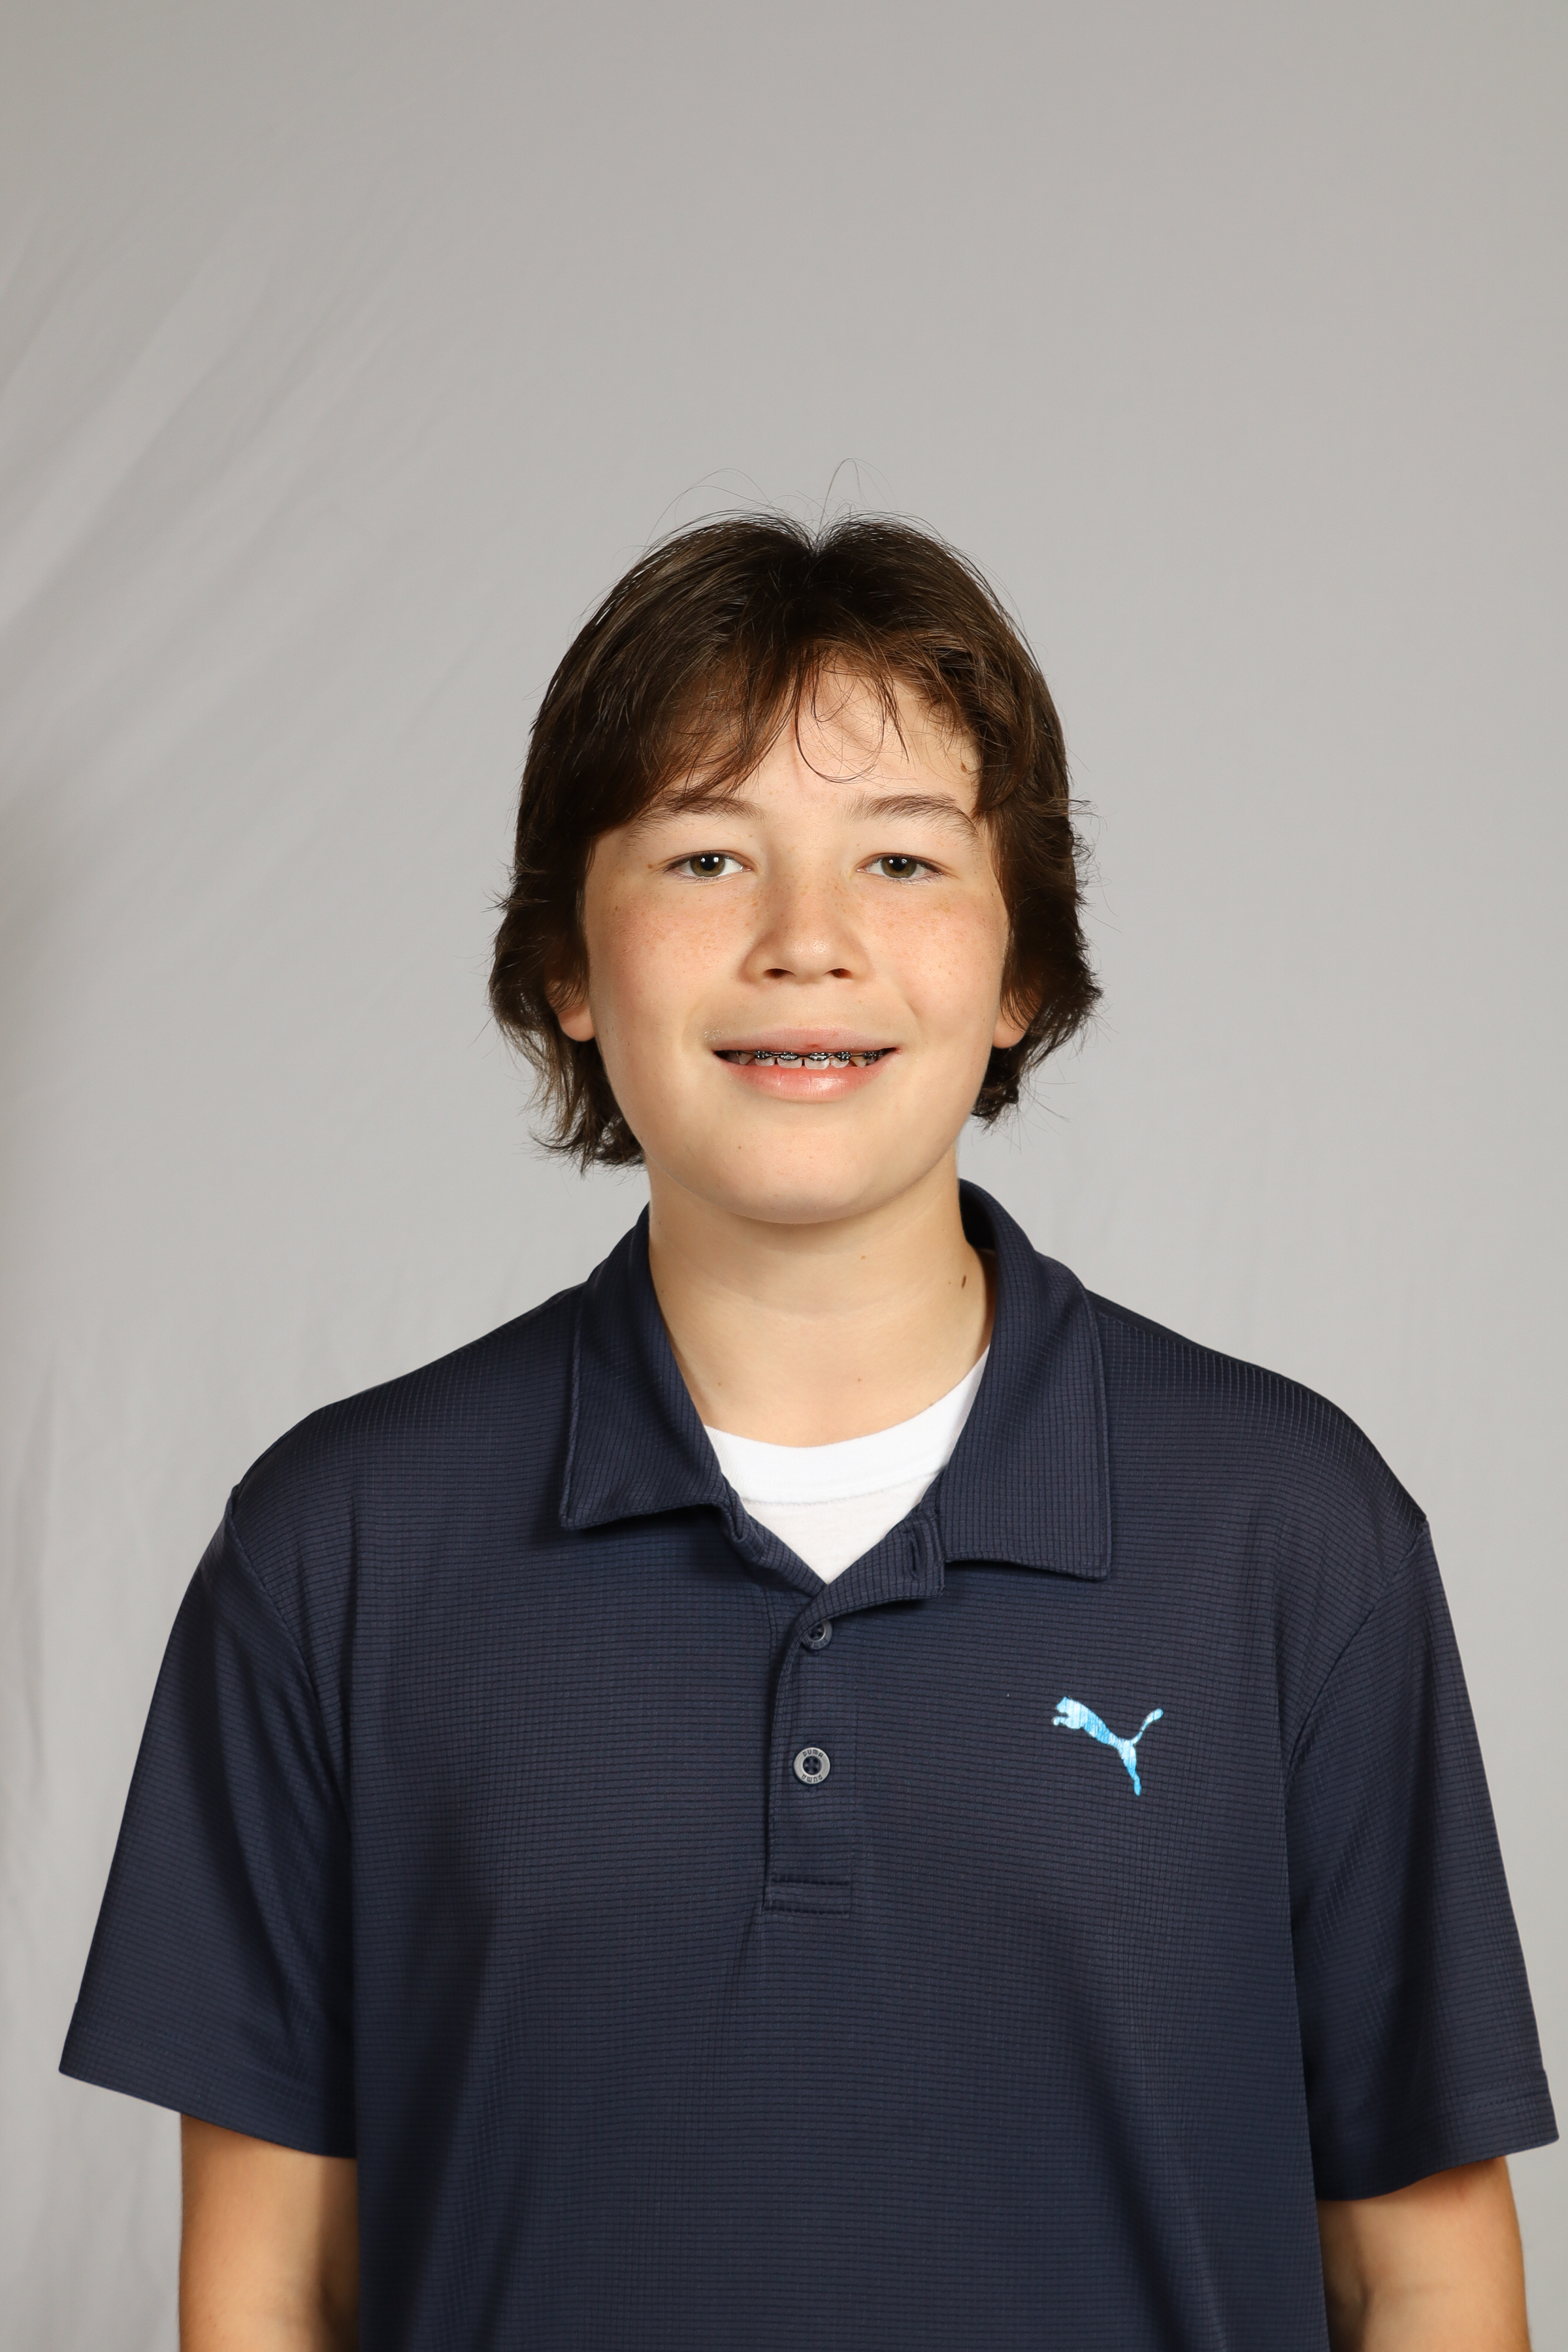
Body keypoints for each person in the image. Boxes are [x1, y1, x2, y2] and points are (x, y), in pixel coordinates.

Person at [63, 515, 1555, 2349]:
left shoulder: (1291, 1530)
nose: (807, 945)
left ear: (1020, 969)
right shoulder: (339, 1548)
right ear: (568, 964)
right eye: (707, 855)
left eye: (902, 859)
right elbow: (270, 2290)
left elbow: (1424, 2277)